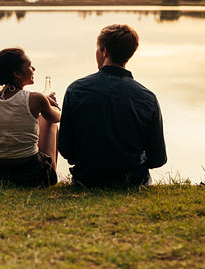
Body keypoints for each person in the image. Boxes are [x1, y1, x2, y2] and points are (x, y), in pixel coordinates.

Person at [58, 24, 167, 187]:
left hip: (87, 179)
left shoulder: (75, 90)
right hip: (133, 181)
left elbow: (66, 149)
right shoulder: (147, 98)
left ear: (104, 51)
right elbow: (158, 158)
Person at [0, 48, 60, 187]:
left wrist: (44, 101)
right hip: (32, 175)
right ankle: (51, 172)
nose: (33, 69)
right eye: (30, 66)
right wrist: (50, 105)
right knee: (49, 122)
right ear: (17, 74)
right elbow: (57, 117)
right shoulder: (36, 98)